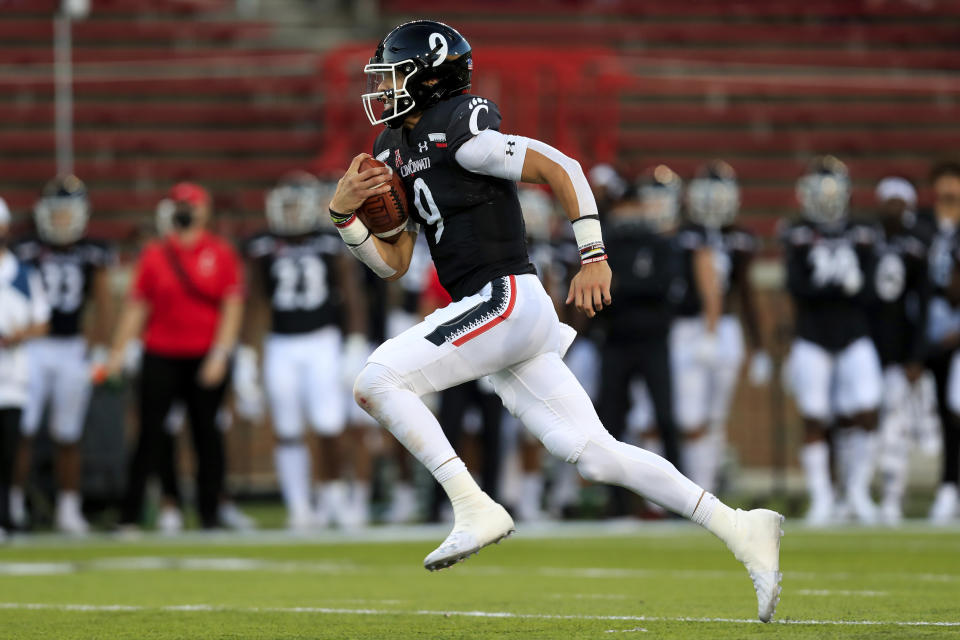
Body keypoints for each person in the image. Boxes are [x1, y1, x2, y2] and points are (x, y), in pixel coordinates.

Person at [329, 21, 782, 622]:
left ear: (430, 77)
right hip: (502, 313)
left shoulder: (457, 130)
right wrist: (344, 218)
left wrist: (594, 255)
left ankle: (473, 504)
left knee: (376, 381)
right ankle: (740, 526)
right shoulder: (395, 148)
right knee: (593, 452)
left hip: (507, 296)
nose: (383, 89)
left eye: (394, 75)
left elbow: (562, 166)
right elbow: (395, 263)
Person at [103, 182, 244, 529]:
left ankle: (210, 513)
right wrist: (117, 352)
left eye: (191, 205)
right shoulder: (155, 254)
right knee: (151, 435)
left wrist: (221, 353)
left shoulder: (220, 252)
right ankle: (134, 514)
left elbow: (232, 304)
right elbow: (138, 306)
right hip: (161, 353)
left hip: (204, 354)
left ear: (204, 210)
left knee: (206, 436)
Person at [241, 172, 367, 530]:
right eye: (287, 205)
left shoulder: (330, 242)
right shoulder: (262, 245)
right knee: (287, 427)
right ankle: (298, 506)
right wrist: (247, 357)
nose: (292, 213)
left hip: (322, 341)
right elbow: (257, 303)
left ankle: (332, 496)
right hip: (280, 343)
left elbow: (351, 296)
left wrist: (354, 343)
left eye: (298, 205)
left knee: (329, 424)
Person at [10, 175, 115, 533]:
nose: (61, 221)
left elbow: (103, 303)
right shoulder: (25, 250)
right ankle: (13, 504)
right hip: (32, 348)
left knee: (68, 434)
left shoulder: (93, 251)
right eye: (55, 214)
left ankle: (69, 508)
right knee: (21, 430)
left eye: (68, 214)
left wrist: (101, 346)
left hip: (72, 348)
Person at [782, 156, 883, 526]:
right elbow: (795, 286)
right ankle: (822, 497)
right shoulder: (797, 233)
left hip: (854, 333)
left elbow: (875, 290)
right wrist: (838, 286)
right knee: (814, 416)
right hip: (812, 336)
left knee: (868, 408)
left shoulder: (864, 231)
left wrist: (848, 288)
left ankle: (857, 492)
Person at [677, 161, 771, 494]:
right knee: (690, 418)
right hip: (687, 328)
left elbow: (746, 292)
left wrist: (759, 347)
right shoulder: (683, 234)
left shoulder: (740, 238)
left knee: (716, 418)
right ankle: (688, 492)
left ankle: (704, 491)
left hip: (728, 329)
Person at [596, 168, 685, 517]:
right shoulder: (608, 244)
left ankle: (679, 501)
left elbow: (663, 288)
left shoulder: (661, 244)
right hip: (616, 340)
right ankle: (616, 504)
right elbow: (602, 292)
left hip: (652, 340)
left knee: (665, 417)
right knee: (610, 422)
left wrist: (624, 289)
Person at [868, 177, 937, 525]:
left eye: (899, 200)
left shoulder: (917, 245)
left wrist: (916, 355)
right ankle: (855, 492)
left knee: (895, 426)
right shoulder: (866, 239)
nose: (893, 206)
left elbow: (921, 304)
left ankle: (893, 497)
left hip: (899, 349)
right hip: (866, 347)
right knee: (862, 424)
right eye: (888, 200)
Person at [0, 197, 50, 539]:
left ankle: (8, 512)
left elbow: (42, 323)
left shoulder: (22, 272)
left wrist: (19, 335)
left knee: (9, 449)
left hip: (13, 377)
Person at [925, 162, 960, 523]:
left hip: (957, 333)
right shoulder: (923, 227)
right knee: (935, 415)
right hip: (928, 332)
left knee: (955, 412)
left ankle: (951, 486)